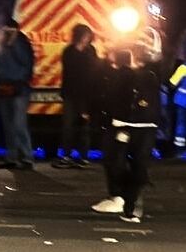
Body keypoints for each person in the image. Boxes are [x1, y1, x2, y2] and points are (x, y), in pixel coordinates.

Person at [91, 48, 160, 223]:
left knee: (114, 160)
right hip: (146, 126)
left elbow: (111, 99)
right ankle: (131, 205)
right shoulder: (152, 76)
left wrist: (108, 118)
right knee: (138, 164)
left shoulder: (122, 76)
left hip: (124, 125)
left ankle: (121, 198)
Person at [55, 24, 98, 168]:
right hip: (71, 94)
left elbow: (93, 71)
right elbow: (69, 72)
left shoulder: (90, 51)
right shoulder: (69, 51)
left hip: (85, 95)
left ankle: (84, 157)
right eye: (85, 35)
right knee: (68, 126)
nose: (87, 38)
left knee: (84, 127)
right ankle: (66, 156)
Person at [0, 19, 35, 170]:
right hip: (4, 87)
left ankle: (27, 157)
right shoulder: (2, 43)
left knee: (19, 124)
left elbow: (26, 62)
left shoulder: (22, 43)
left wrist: (13, 43)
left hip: (19, 88)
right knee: (8, 125)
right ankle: (11, 157)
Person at [168, 59, 186, 152]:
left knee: (181, 124)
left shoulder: (183, 67)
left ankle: (179, 148)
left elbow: (172, 83)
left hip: (182, 101)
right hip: (182, 101)